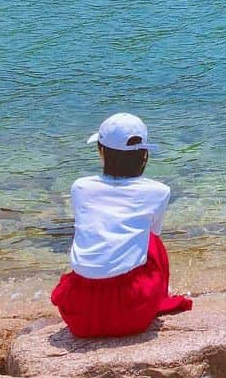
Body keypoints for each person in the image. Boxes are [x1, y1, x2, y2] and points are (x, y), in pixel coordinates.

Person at [51, 113, 192, 337]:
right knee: (153, 241)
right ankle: (162, 296)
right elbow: (152, 237)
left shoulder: (80, 187)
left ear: (101, 151)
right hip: (132, 312)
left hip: (80, 315)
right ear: (144, 155)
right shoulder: (159, 191)